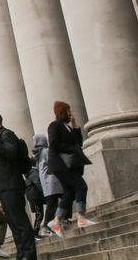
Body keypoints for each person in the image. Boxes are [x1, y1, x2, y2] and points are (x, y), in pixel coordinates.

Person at [0, 111, 37, 259]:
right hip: (3, 185)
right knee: (13, 223)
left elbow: (12, 153)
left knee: (20, 221)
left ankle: (29, 255)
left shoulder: (6, 134)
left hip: (12, 184)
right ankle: (21, 254)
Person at [46, 101, 97, 237]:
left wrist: (75, 127)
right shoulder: (55, 125)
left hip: (67, 165)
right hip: (61, 165)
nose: (70, 113)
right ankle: (81, 217)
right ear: (63, 112)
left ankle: (56, 221)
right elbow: (54, 144)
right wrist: (71, 149)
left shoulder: (66, 126)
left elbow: (78, 143)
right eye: (68, 111)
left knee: (69, 193)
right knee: (81, 186)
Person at [32, 133, 63, 237]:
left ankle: (52, 223)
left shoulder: (38, 154)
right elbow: (53, 163)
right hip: (52, 180)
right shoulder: (46, 151)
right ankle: (46, 226)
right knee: (59, 201)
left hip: (46, 182)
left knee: (52, 203)